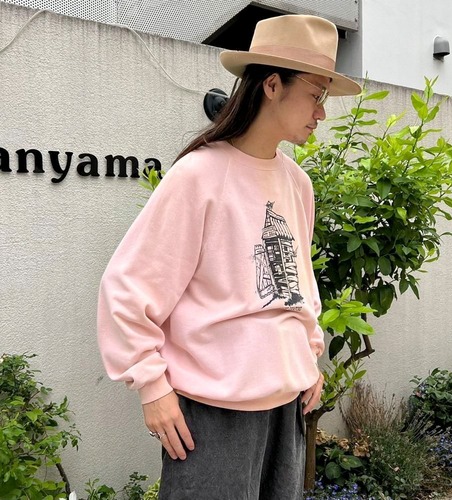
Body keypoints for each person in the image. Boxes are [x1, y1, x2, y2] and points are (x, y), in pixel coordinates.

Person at [97, 13, 361, 500]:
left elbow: (298, 281)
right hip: (214, 412)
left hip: (287, 405)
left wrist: (309, 353)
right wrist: (152, 387)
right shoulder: (197, 176)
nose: (322, 113)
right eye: (316, 94)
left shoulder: (297, 183)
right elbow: (128, 286)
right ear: (273, 85)